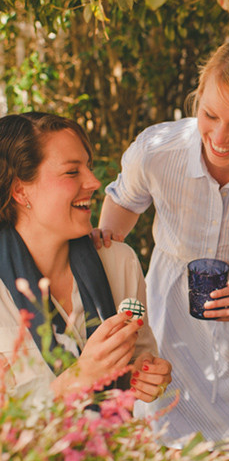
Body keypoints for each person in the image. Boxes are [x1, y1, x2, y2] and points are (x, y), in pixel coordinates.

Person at [94, 37, 229, 443]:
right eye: (210, 115)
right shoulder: (159, 151)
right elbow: (114, 227)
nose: (219, 136)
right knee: (161, 437)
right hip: (167, 317)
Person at [0, 112, 171, 402]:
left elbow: (141, 356)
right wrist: (80, 377)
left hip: (116, 445)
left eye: (88, 167)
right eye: (72, 172)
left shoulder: (119, 262)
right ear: (20, 190)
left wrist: (146, 374)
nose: (93, 182)